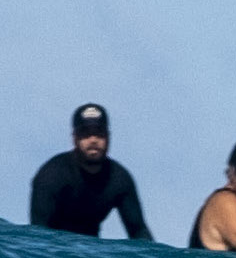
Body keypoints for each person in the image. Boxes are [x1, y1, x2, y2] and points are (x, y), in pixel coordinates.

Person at [28, 101, 153, 238]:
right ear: (75, 139)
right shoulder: (51, 175)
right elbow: (37, 232)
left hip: (91, 252)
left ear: (108, 138)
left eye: (99, 134)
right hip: (54, 249)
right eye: (86, 134)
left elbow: (139, 231)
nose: (93, 140)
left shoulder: (119, 179)